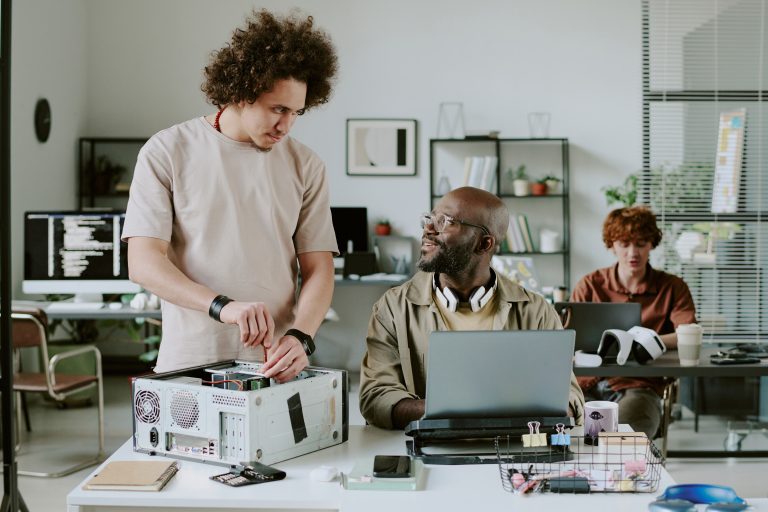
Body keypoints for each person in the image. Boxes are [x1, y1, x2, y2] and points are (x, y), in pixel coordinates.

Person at [122, 9, 339, 382]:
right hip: (189, 361)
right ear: (240, 92)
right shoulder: (167, 151)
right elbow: (143, 263)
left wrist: (302, 336)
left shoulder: (307, 165)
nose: (286, 125)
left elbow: (319, 268)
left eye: (296, 112)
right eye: (278, 109)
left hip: (274, 363)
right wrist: (223, 307)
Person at [359, 187, 585, 429]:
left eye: (445, 221)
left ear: (484, 244)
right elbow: (375, 397)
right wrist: (463, 411)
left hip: (513, 451)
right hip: (426, 454)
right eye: (430, 218)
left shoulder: (536, 311)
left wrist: (480, 411)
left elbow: (570, 400)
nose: (428, 229)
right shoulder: (392, 308)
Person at [571, 206, 696, 438]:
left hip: (639, 386)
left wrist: (646, 341)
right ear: (612, 245)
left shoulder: (673, 287)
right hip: (585, 385)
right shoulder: (590, 285)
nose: (632, 253)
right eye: (624, 244)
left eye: (641, 243)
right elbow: (568, 336)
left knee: (621, 441)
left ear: (651, 244)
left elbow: (686, 333)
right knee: (571, 437)